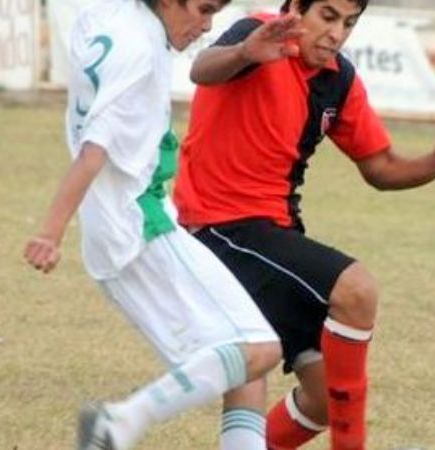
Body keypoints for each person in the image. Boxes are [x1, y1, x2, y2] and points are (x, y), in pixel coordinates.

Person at [173, 0, 435, 448]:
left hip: (274, 236)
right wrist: (246, 53)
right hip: (218, 228)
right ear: (294, 9)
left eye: (348, 23)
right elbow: (203, 70)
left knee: (325, 401)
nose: (337, 33)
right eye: (326, 17)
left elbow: (381, 168)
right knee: (356, 290)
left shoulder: (339, 79)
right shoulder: (259, 35)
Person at [23, 0, 282, 449]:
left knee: (244, 367)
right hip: (139, 225)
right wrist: (49, 231)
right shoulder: (138, 48)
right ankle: (119, 422)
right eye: (202, 10)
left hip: (125, 225)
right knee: (260, 349)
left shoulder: (106, 18)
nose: (206, 26)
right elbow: (94, 150)